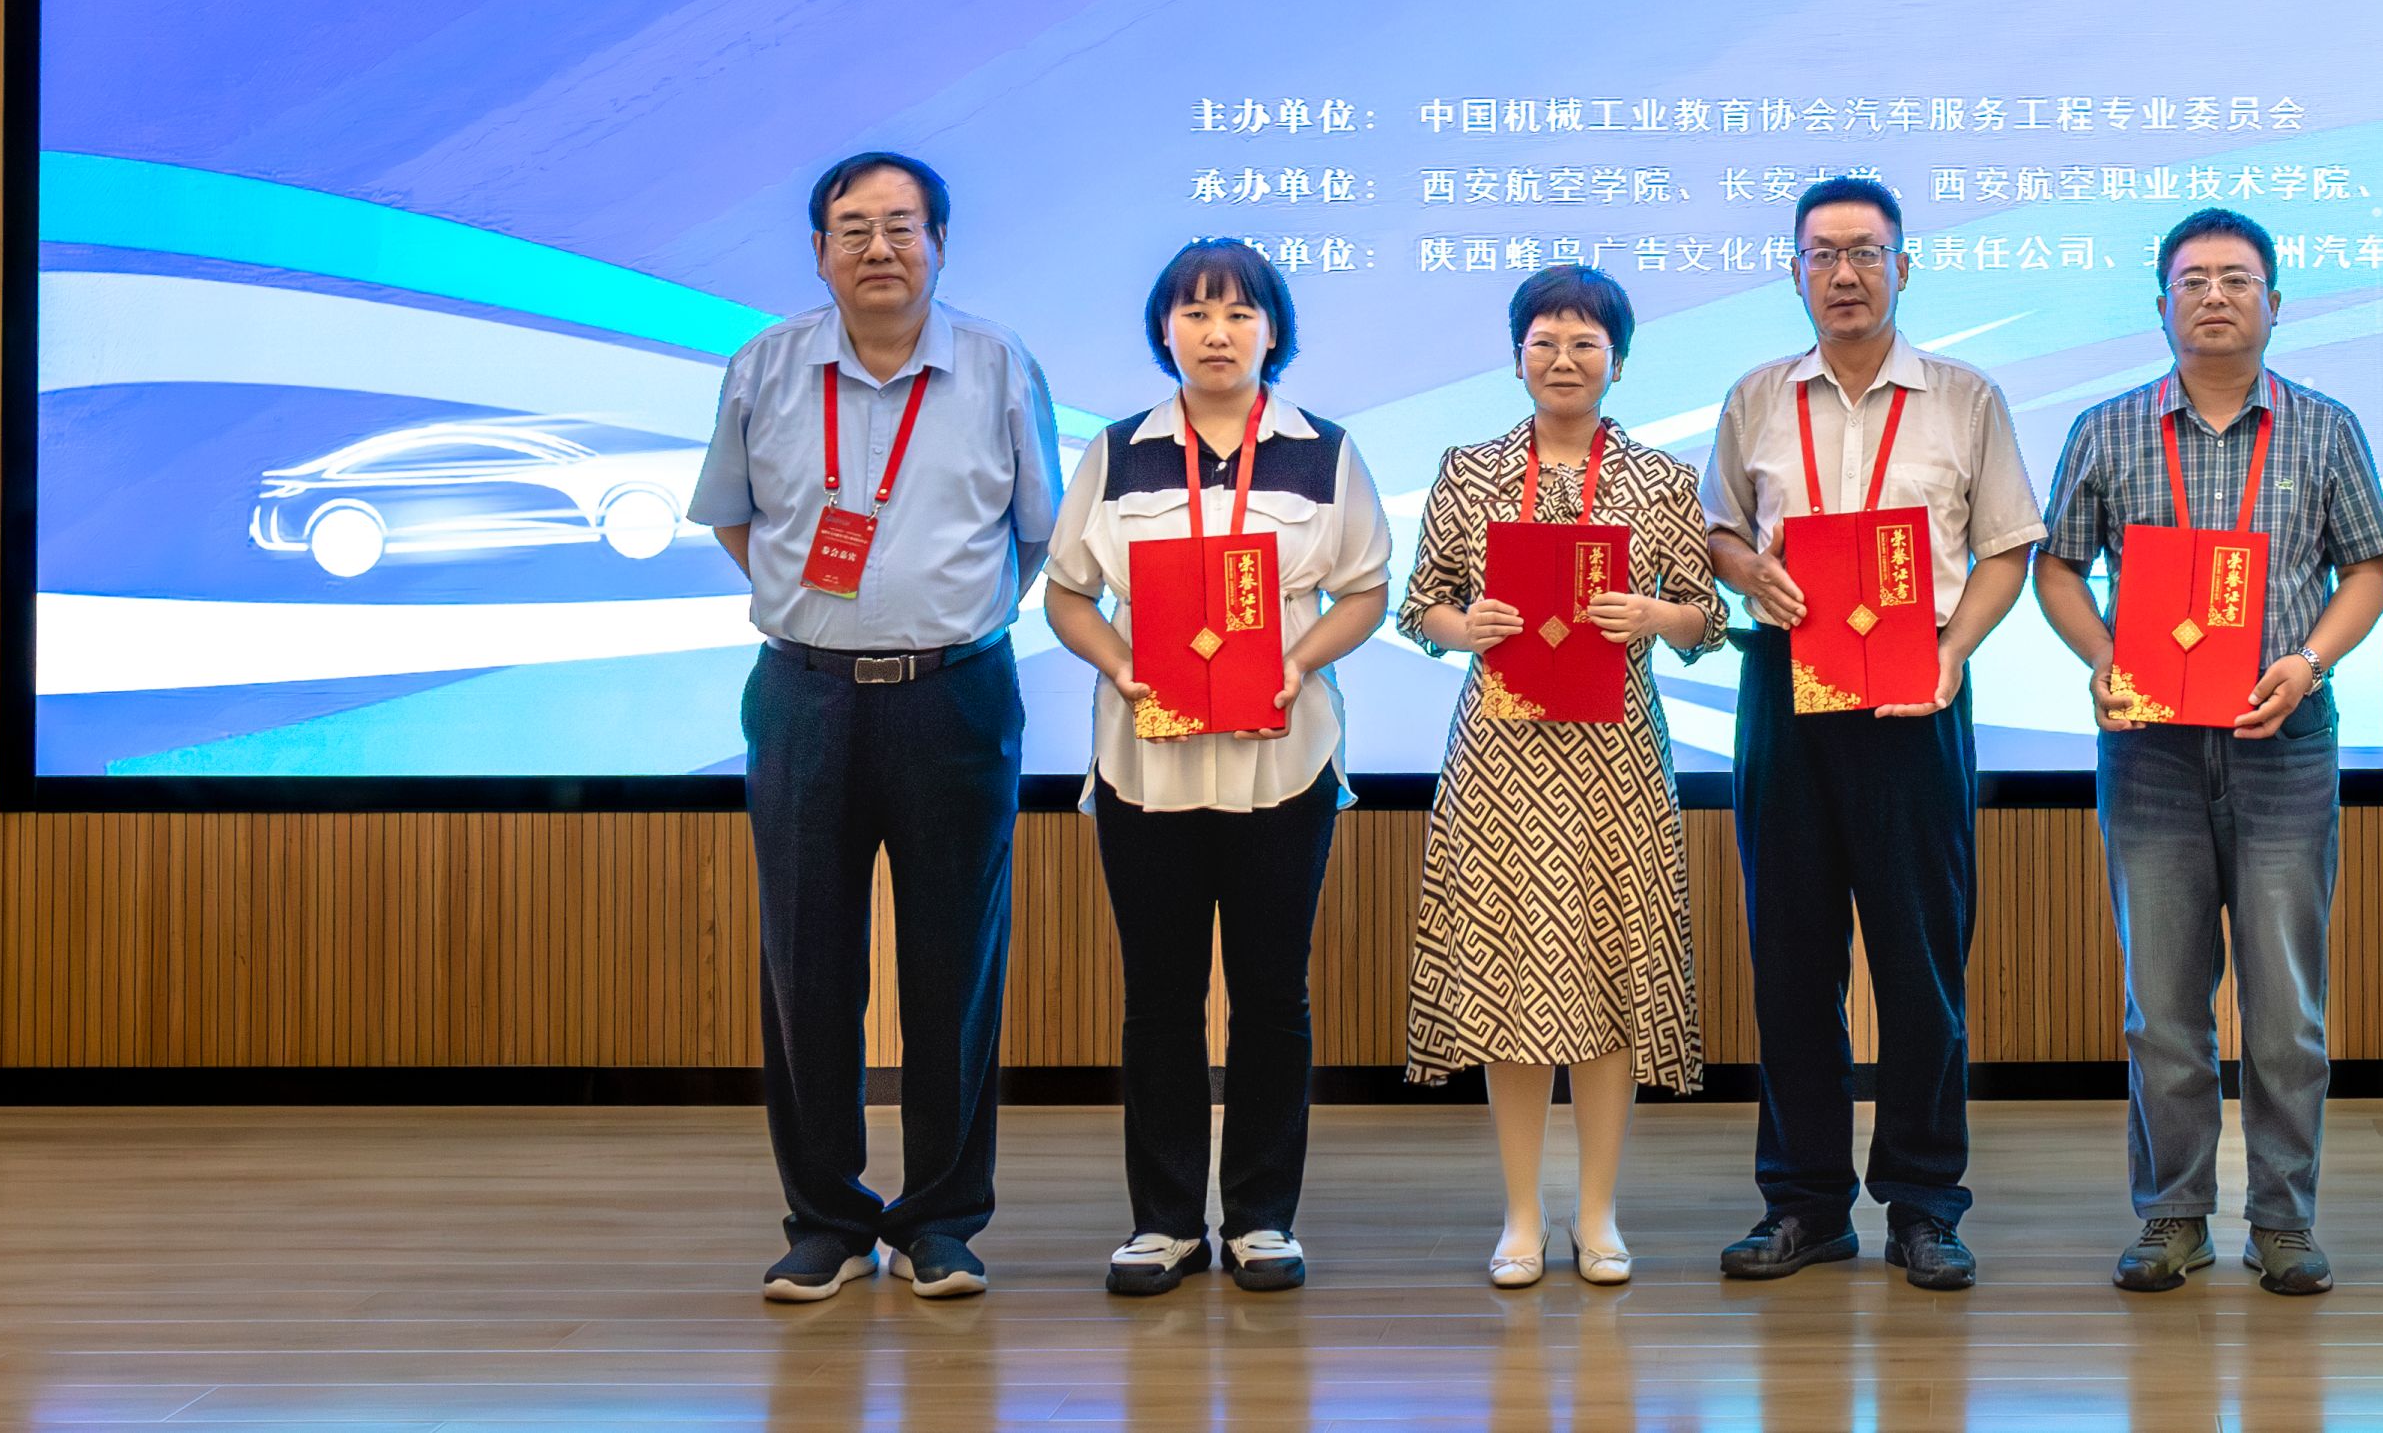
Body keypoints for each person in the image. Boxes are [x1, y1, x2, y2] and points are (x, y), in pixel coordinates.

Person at [689, 150, 1060, 1305]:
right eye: (853, 229)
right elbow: (735, 521)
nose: (879, 248)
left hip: (956, 693)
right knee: (807, 966)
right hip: (805, 693)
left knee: (956, 966)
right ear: (819, 252)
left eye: (902, 226)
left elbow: (1035, 534)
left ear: (940, 244)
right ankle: (828, 1221)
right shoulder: (763, 367)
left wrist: (943, 619)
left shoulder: (999, 367)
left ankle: (941, 1221)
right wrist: (821, 614)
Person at [2032, 207, 2383, 1297]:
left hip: (2284, 743)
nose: (2215, 297)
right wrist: (2103, 658)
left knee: (2285, 1011)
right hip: (2150, 749)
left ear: (2274, 303)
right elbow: (2058, 565)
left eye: (2237, 279)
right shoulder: (2106, 428)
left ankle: (2282, 1220)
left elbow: (2368, 568)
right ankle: (2174, 1215)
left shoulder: (2325, 428)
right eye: (2192, 281)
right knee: (2163, 1005)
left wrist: (2311, 662)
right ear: (2161, 307)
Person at [1701, 175, 2042, 1293]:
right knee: (1792, 959)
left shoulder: (1965, 398)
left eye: (1864, 252)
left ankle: (1925, 1203)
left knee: (1919, 960)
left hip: (1915, 689)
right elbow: (1717, 529)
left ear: (1904, 264)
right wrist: (1745, 567)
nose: (1843, 274)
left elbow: (2005, 546)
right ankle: (1803, 1203)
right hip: (1785, 687)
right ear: (1793, 269)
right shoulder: (1755, 397)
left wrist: (1953, 653)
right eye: (1822, 254)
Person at [1042, 239, 1392, 1298]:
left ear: (1273, 331)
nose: (1217, 332)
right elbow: (1067, 592)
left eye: (1240, 313)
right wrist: (1121, 667)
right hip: (1146, 768)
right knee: (1159, 997)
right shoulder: (1118, 452)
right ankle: (1162, 1224)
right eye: (1195, 313)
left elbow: (1366, 590)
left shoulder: (1324, 451)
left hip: (1281, 763)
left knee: (1272, 995)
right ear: (1165, 331)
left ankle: (1260, 1220)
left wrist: (1298, 661)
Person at [1397, 264, 1730, 1288]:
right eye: (1543, 342)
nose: (1563, 360)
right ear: (1516, 358)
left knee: (1607, 974)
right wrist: (1466, 625)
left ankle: (1597, 1213)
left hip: (1613, 758)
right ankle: (1520, 1217)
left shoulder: (1659, 477)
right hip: (1501, 758)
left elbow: (1708, 619)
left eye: (1585, 343)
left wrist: (1656, 615)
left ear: (1617, 361)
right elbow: (1420, 607)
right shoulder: (1470, 471)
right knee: (1511, 974)